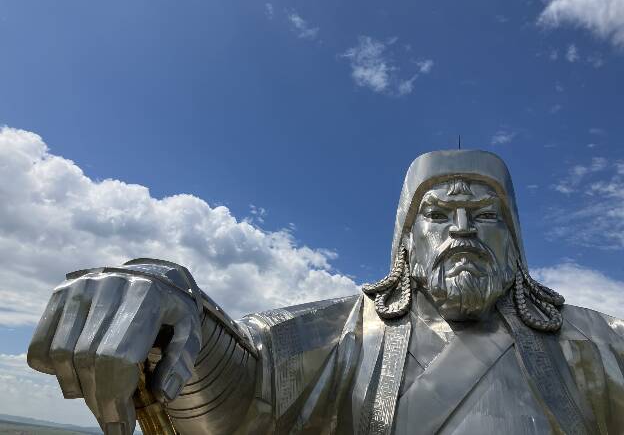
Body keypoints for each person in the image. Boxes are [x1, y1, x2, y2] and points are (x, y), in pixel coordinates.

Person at [28, 150, 624, 435]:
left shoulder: (595, 343)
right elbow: (245, 380)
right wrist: (163, 295)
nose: (462, 231)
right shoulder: (347, 331)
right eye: (439, 215)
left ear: (515, 236)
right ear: (407, 241)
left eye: (485, 215)